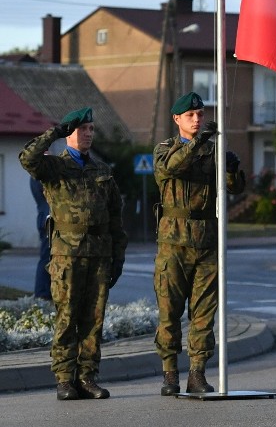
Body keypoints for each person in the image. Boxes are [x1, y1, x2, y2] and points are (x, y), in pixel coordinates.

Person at [18, 107, 128, 401]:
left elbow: (116, 218)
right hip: (66, 256)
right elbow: (26, 158)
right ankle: (65, 379)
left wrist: (118, 257)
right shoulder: (54, 167)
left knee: (94, 320)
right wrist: (54, 131)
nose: (88, 134)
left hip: (99, 255)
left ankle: (87, 377)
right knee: (67, 318)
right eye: (82, 129)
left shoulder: (102, 171)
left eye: (91, 129)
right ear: (70, 134)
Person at [153, 92, 246, 395]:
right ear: (177, 119)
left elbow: (235, 188)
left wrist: (231, 168)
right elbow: (171, 169)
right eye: (191, 115)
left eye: (201, 114)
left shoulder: (213, 152)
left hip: (207, 242)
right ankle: (169, 374)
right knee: (169, 313)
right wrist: (196, 144)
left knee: (204, 313)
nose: (197, 119)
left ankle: (197, 372)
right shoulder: (165, 149)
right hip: (174, 244)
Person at [30, 176, 52, 300]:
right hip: (48, 220)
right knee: (46, 258)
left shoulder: (36, 173)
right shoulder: (40, 173)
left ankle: (44, 292)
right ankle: (42, 293)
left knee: (47, 257)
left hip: (45, 218)